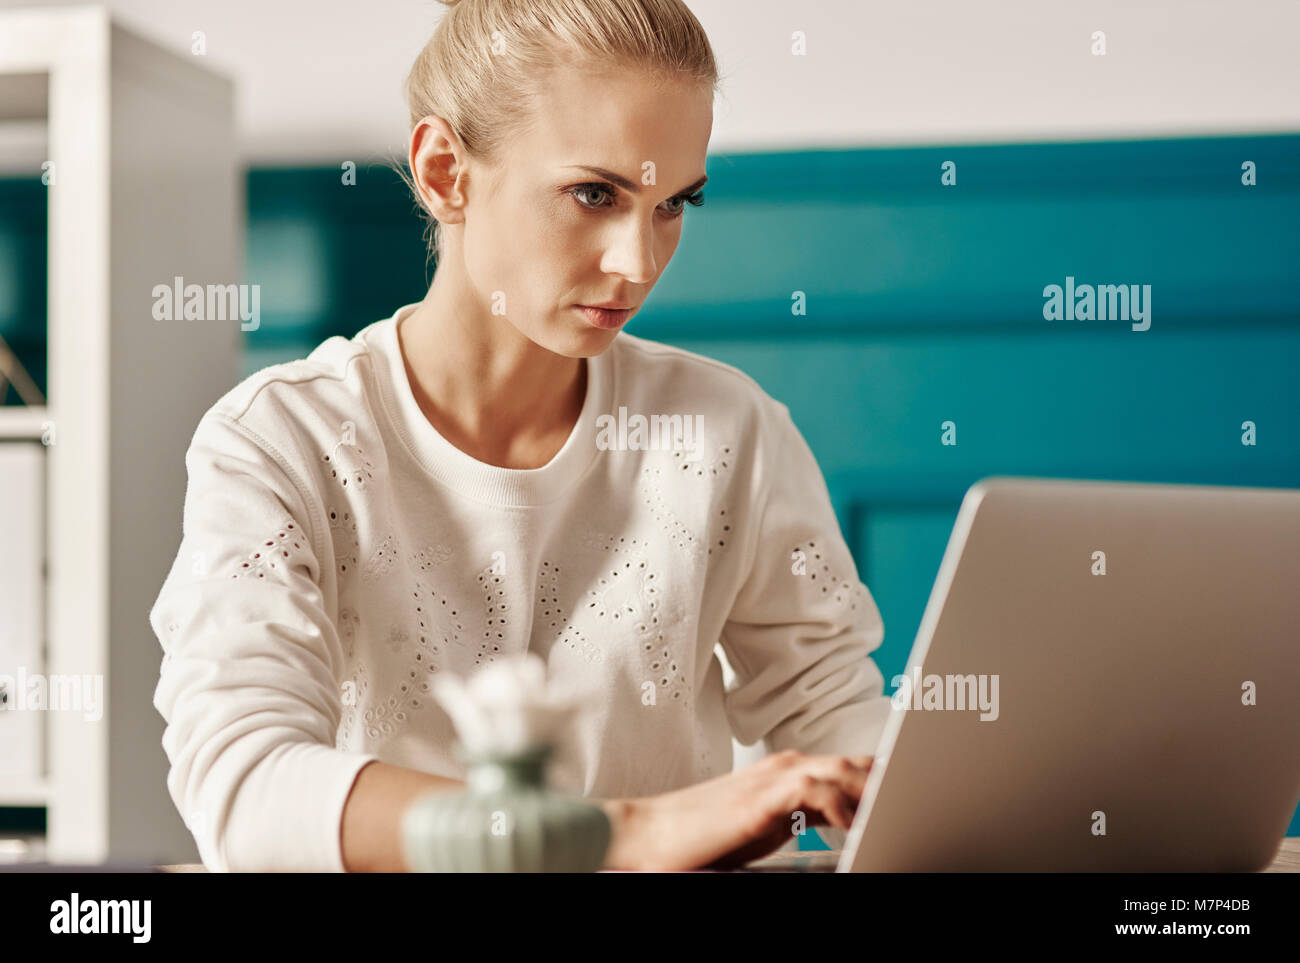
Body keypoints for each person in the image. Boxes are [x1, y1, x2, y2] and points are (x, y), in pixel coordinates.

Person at [150, 0, 892, 873]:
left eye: (673, 204)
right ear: (444, 172)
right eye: (594, 194)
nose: (639, 262)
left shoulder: (731, 431)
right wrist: (629, 837)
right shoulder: (279, 440)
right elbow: (248, 790)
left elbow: (847, 731)